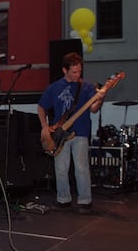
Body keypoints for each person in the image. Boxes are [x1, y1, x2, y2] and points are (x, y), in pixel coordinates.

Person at [37, 52, 104, 215]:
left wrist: (101, 98)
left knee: (81, 167)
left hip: (80, 132)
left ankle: (85, 201)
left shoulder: (87, 87)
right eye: (74, 71)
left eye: (79, 71)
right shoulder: (54, 88)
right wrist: (45, 126)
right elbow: (41, 107)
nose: (77, 74)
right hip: (61, 133)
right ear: (64, 70)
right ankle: (63, 199)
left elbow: (94, 109)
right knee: (60, 167)